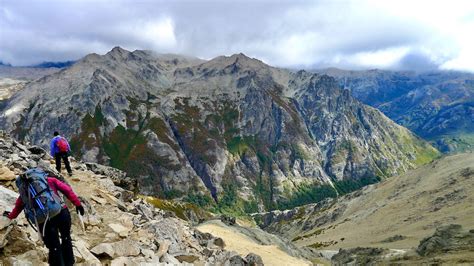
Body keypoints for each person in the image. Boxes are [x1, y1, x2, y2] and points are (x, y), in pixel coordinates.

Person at [3, 175, 85, 266]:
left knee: (54, 246)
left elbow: (18, 208)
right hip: (61, 213)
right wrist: (78, 204)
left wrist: (10, 216)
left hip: (44, 221)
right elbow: (67, 190)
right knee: (66, 238)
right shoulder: (49, 180)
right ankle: (69, 263)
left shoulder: (24, 193)